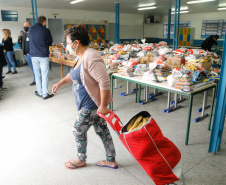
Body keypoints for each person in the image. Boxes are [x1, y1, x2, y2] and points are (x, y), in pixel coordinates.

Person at [52, 25, 118, 170]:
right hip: (90, 104)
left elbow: (104, 81)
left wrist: (104, 105)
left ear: (77, 43)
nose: (67, 46)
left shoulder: (91, 56)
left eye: (68, 43)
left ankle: (81, 159)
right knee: (102, 130)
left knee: (78, 129)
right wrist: (60, 83)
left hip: (91, 105)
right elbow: (73, 74)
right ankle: (111, 159)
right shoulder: (80, 56)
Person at [29, 16, 53, 99]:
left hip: (33, 55)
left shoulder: (31, 29)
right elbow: (50, 42)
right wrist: (45, 42)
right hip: (43, 55)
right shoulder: (45, 30)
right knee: (44, 75)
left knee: (37, 75)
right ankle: (45, 94)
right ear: (44, 22)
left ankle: (39, 92)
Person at [22, 22, 36, 86]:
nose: (24, 27)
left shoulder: (33, 33)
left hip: (33, 54)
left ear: (30, 25)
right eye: (24, 26)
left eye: (26, 25)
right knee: (32, 68)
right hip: (27, 55)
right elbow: (23, 44)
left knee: (35, 68)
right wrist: (24, 53)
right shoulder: (25, 34)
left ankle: (36, 80)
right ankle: (36, 79)